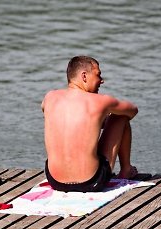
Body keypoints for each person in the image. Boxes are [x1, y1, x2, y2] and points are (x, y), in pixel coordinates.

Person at [41, 56, 139, 192]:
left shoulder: (49, 97)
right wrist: (105, 119)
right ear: (84, 76)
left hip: (55, 181)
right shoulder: (100, 101)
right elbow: (133, 110)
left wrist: (97, 121)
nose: (102, 80)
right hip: (91, 181)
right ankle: (126, 169)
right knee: (120, 116)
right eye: (98, 75)